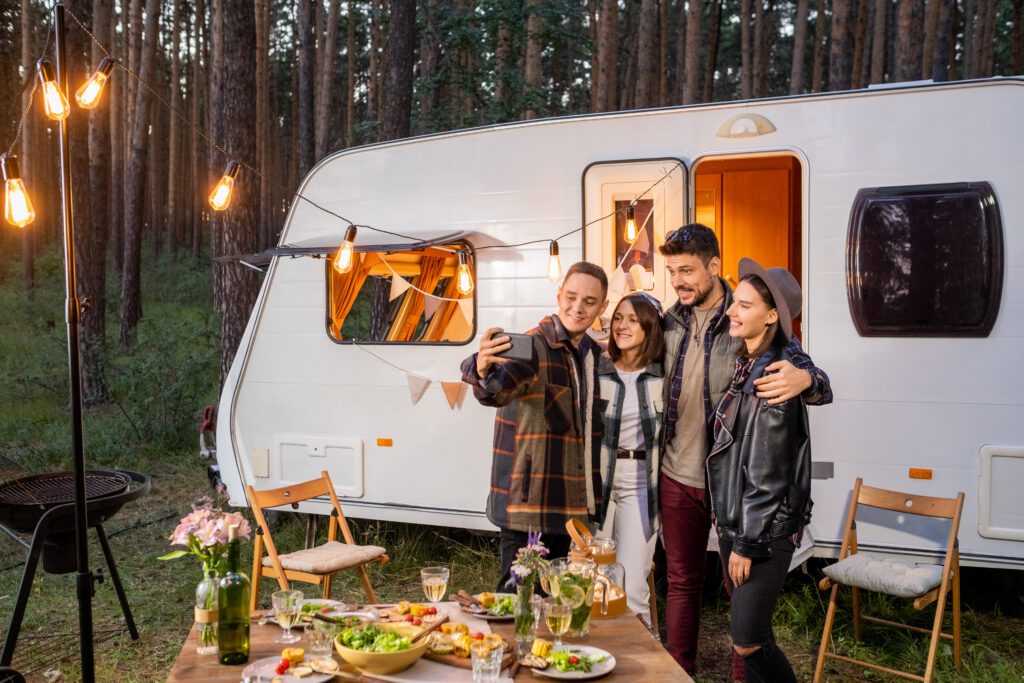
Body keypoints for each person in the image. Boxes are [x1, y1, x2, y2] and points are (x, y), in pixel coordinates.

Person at [657, 224, 832, 677]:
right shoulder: (669, 320)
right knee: (681, 582)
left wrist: (808, 378)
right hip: (677, 474)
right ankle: (680, 673)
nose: (678, 280)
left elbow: (796, 360)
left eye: (687, 270)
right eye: (672, 270)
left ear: (714, 267)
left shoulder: (744, 317)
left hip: (731, 484)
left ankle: (744, 676)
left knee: (742, 594)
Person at [460, 261, 609, 587]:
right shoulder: (532, 345)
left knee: (550, 603)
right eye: (571, 297)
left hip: (568, 507)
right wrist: (481, 368)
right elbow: (495, 390)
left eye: (589, 301)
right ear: (558, 296)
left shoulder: (590, 354)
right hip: (528, 508)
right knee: (516, 604)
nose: (578, 307)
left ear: (602, 306)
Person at [707, 258, 813, 683]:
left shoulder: (773, 376)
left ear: (771, 317)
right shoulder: (746, 363)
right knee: (751, 636)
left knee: (748, 640)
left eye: (744, 305)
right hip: (741, 523)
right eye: (734, 301)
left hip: (762, 532)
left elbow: (768, 478)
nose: (732, 310)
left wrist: (746, 544)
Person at [596, 292, 665, 628]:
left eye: (632, 320)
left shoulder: (662, 377)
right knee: (594, 581)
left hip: (641, 483)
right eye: (618, 317)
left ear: (650, 328)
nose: (621, 325)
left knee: (633, 588)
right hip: (599, 484)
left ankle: (648, 671)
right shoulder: (598, 371)